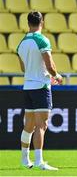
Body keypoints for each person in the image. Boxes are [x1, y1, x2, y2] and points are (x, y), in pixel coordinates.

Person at [17, 11, 62, 170]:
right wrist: (57, 76)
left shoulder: (21, 42)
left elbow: (23, 68)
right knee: (41, 125)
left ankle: (24, 160)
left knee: (28, 126)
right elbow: (49, 65)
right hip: (41, 87)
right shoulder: (42, 40)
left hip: (28, 86)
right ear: (42, 22)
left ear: (28, 23)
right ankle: (39, 161)